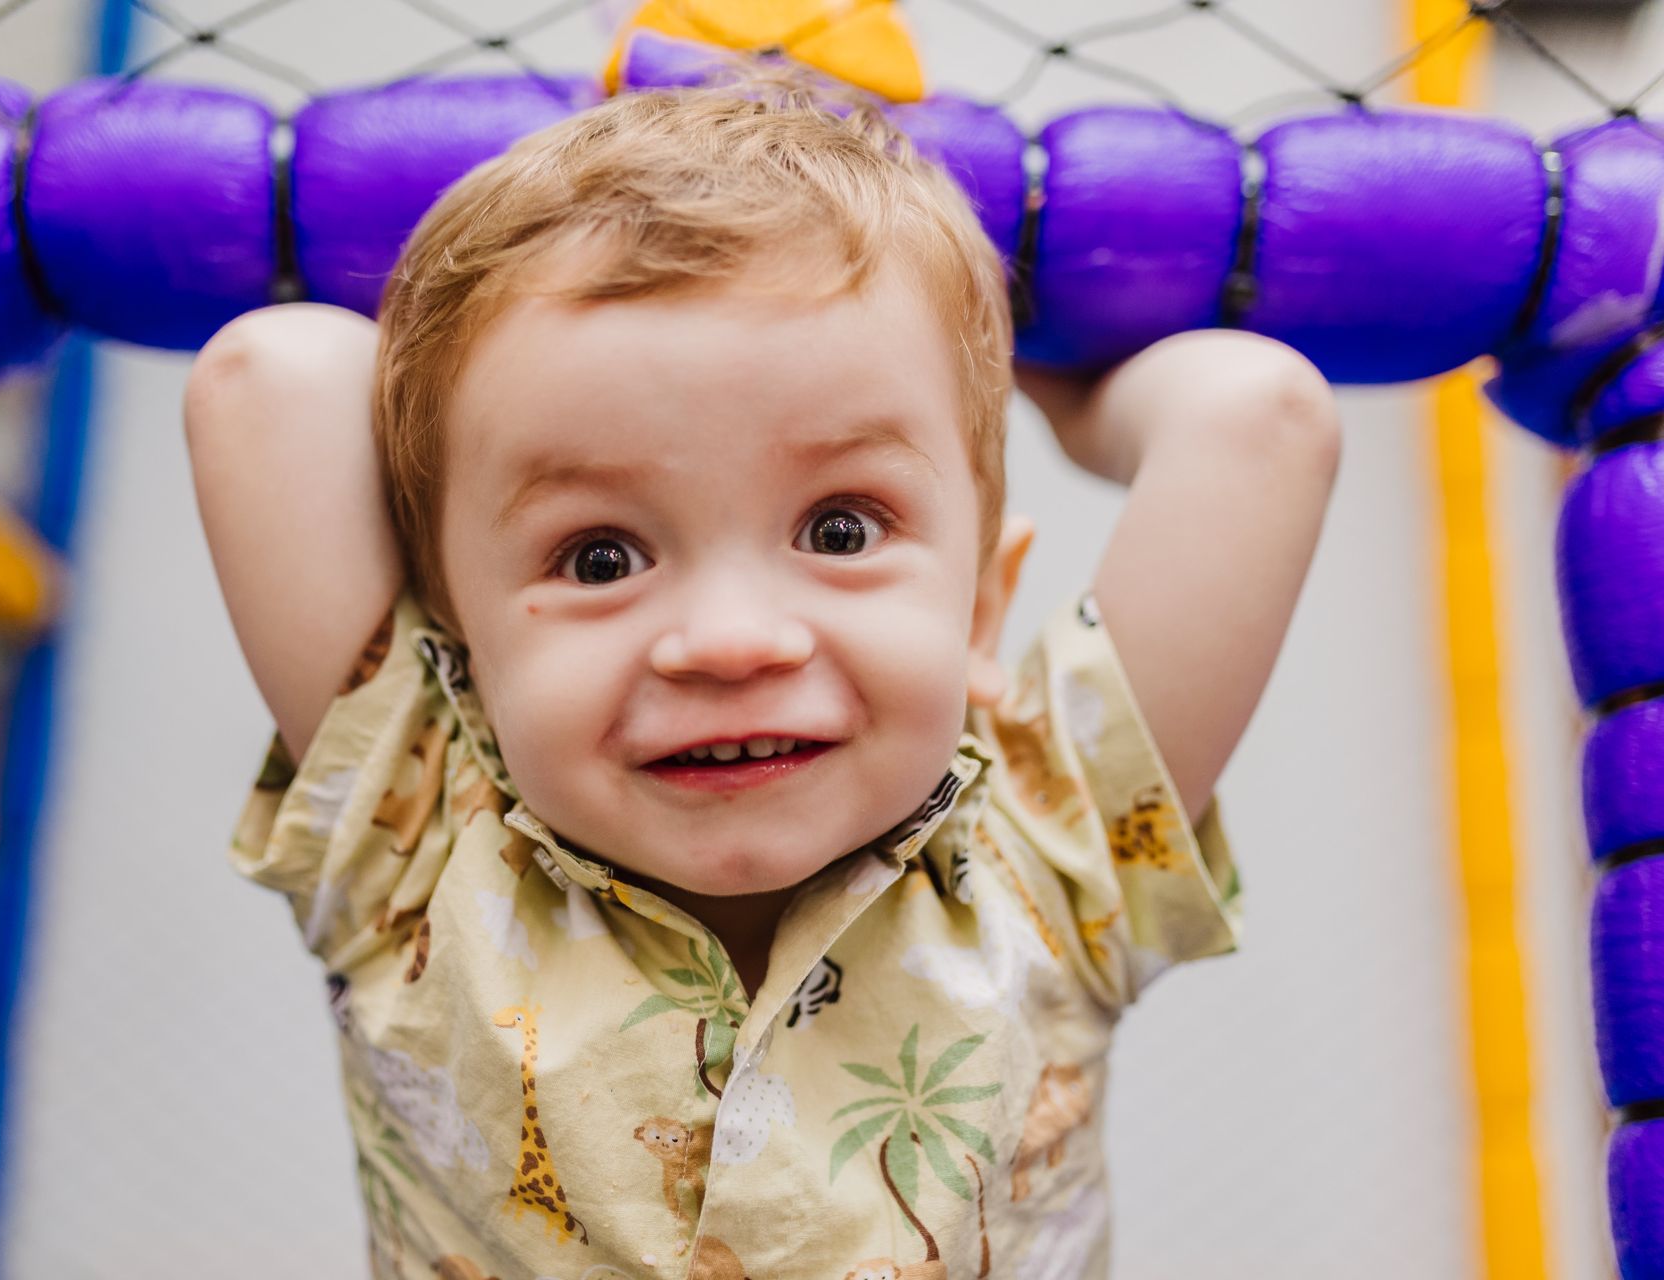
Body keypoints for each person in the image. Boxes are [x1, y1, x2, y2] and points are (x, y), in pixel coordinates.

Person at [184, 66, 1339, 1280]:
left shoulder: (1052, 854)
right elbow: (268, 383)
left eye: (841, 529)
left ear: (982, 608)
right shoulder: (417, 844)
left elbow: (1261, 420)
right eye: (599, 555)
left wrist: (1021, 376)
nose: (732, 639)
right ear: (459, 634)